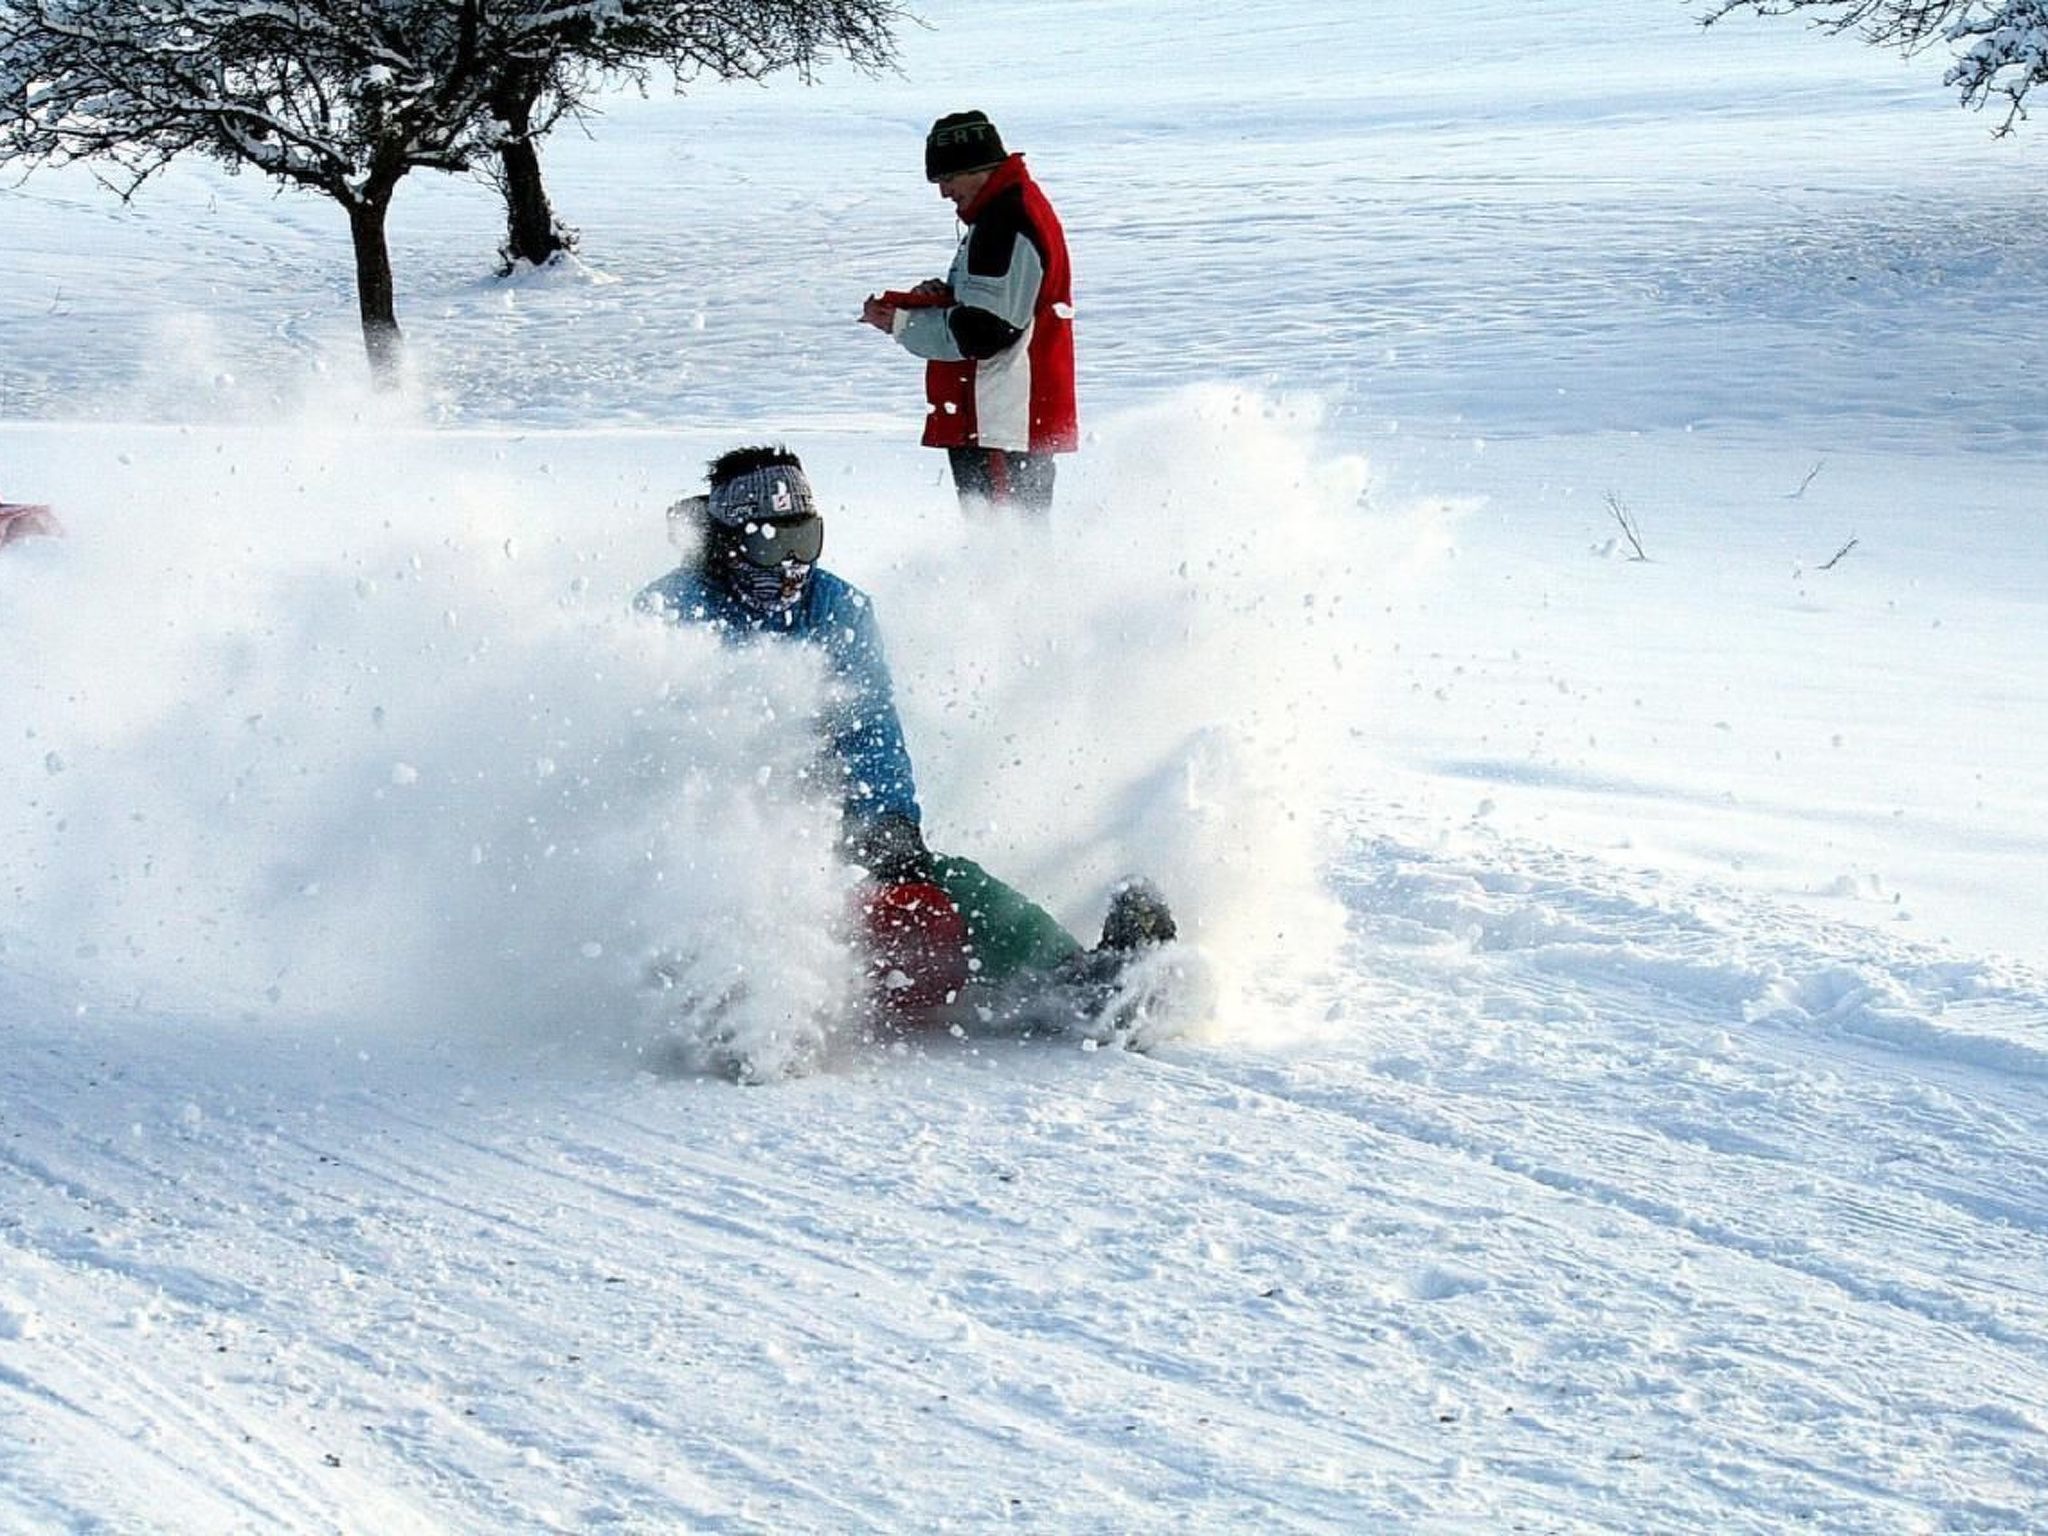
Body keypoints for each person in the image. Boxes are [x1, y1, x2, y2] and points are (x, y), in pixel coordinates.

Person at [637, 445, 1173, 1020]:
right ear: (731, 542)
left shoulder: (837, 607)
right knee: (744, 906)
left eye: (806, 541)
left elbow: (870, 729)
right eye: (775, 544)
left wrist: (889, 824)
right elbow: (657, 756)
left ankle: (1077, 984)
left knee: (952, 884)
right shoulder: (673, 613)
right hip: (710, 849)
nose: (794, 565)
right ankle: (731, 1004)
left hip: (831, 825)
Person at [861, 111, 1077, 516]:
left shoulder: (1005, 221)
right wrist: (943, 297)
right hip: (1006, 416)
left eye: (947, 179)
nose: (944, 193)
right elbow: (998, 305)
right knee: (1013, 540)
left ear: (976, 168)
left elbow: (984, 332)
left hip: (1000, 416)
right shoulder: (1008, 211)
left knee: (1002, 542)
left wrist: (901, 323)